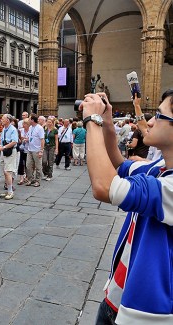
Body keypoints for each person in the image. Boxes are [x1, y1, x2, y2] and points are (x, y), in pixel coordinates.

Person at [81, 90, 173, 324]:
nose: (149, 121)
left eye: (159, 116)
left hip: (144, 314)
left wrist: (92, 120)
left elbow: (104, 186)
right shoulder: (159, 167)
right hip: (118, 295)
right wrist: (108, 122)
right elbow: (118, 164)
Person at [0, 115, 18, 200]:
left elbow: (14, 142)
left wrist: (3, 147)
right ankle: (8, 189)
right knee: (5, 172)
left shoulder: (13, 129)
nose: (1, 120)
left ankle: (10, 191)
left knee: (8, 171)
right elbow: (2, 140)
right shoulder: (5, 128)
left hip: (10, 152)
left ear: (8, 120)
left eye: (3, 119)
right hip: (4, 151)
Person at [25, 114, 45, 187]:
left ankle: (37, 180)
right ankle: (30, 179)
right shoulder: (30, 127)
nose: (28, 120)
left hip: (37, 150)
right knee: (28, 165)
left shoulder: (39, 128)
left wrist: (41, 150)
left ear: (32, 120)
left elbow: (42, 140)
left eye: (29, 119)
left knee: (38, 166)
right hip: (30, 149)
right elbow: (30, 137)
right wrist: (26, 140)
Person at [17, 118, 30, 185]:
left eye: (25, 124)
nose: (23, 125)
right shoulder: (21, 130)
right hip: (21, 149)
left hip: (28, 149)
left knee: (28, 164)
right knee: (20, 164)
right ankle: (21, 178)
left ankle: (27, 177)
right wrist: (22, 139)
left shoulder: (31, 131)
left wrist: (26, 139)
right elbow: (19, 139)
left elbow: (32, 139)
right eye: (23, 123)